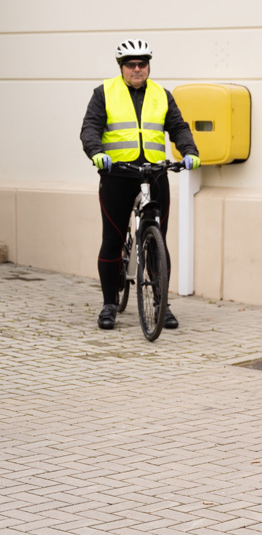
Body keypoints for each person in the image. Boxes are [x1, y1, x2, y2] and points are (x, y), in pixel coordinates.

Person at [80, 39, 199, 331]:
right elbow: (90, 128)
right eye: (131, 64)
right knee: (112, 238)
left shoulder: (162, 95)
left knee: (159, 240)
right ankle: (109, 304)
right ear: (121, 67)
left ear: (148, 65)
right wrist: (97, 153)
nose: (137, 69)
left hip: (155, 174)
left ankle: (162, 304)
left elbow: (179, 127)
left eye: (142, 63)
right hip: (117, 175)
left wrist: (190, 152)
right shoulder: (104, 92)